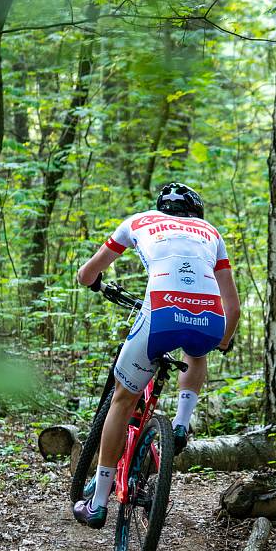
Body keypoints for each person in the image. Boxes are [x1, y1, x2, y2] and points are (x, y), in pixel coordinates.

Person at [73, 182, 240, 529]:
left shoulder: (139, 221)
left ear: (161, 207)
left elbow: (88, 273)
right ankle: (180, 425)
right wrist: (223, 341)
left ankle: (99, 503)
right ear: (197, 214)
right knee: (197, 353)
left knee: (122, 401)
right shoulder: (211, 232)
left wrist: (90, 280)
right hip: (209, 317)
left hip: (160, 313)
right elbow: (233, 307)